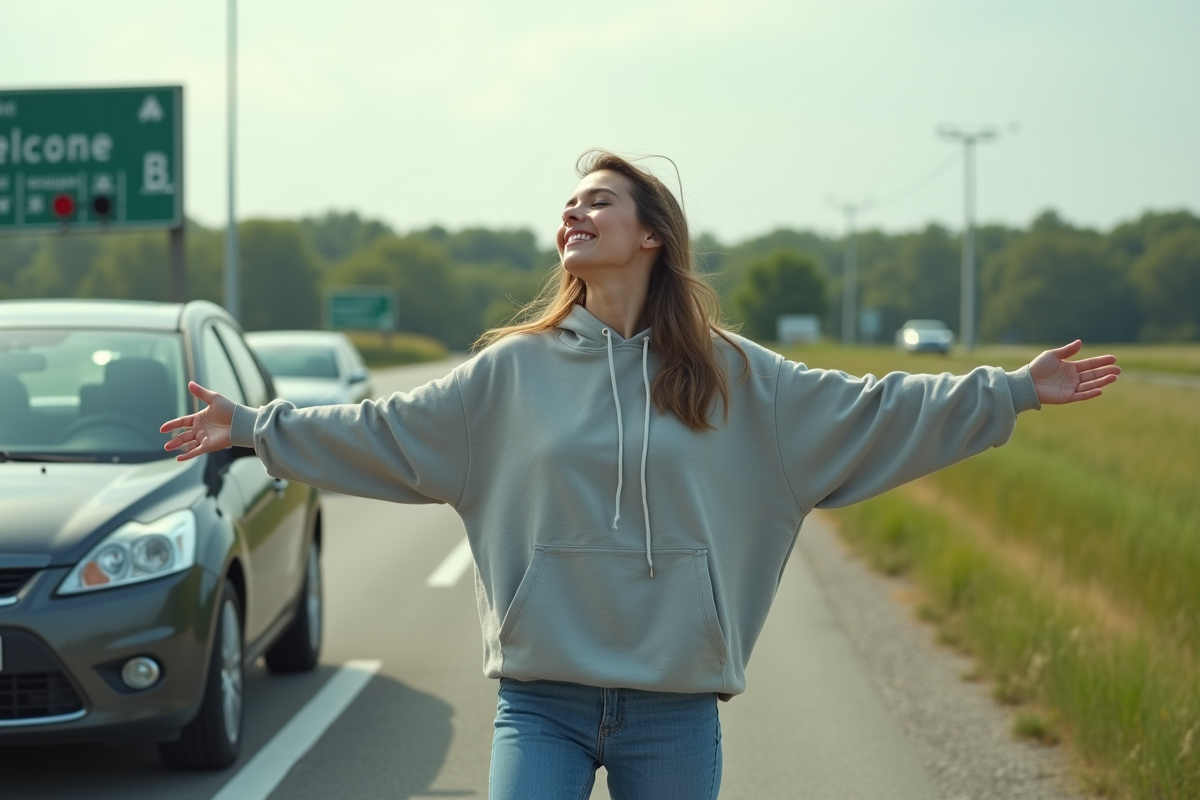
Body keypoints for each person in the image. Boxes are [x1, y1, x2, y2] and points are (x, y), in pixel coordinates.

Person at [161, 151, 1120, 800]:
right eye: (569, 202)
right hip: (541, 699)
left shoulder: (743, 377)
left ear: (651, 232)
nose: (574, 211)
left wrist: (1011, 392)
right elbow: (383, 430)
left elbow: (879, 409)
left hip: (676, 707)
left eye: (598, 199)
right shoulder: (512, 370)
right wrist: (251, 426)